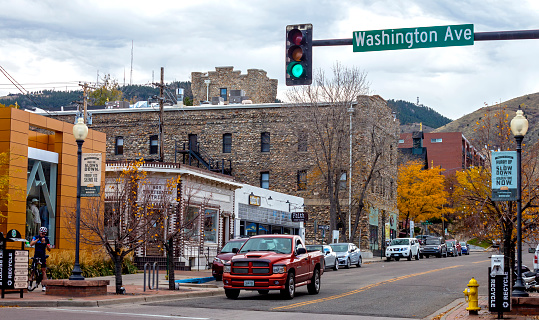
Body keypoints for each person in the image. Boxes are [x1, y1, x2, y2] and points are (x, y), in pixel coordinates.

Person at [30, 226, 51, 291]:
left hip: (42, 255)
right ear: (39, 232)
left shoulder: (46, 239)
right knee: (33, 270)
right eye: (42, 233)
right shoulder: (36, 237)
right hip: (36, 255)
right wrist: (37, 240)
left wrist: (45, 244)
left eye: (44, 234)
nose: (43, 235)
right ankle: (30, 284)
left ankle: (44, 285)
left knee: (43, 270)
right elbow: (31, 244)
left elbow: (49, 249)